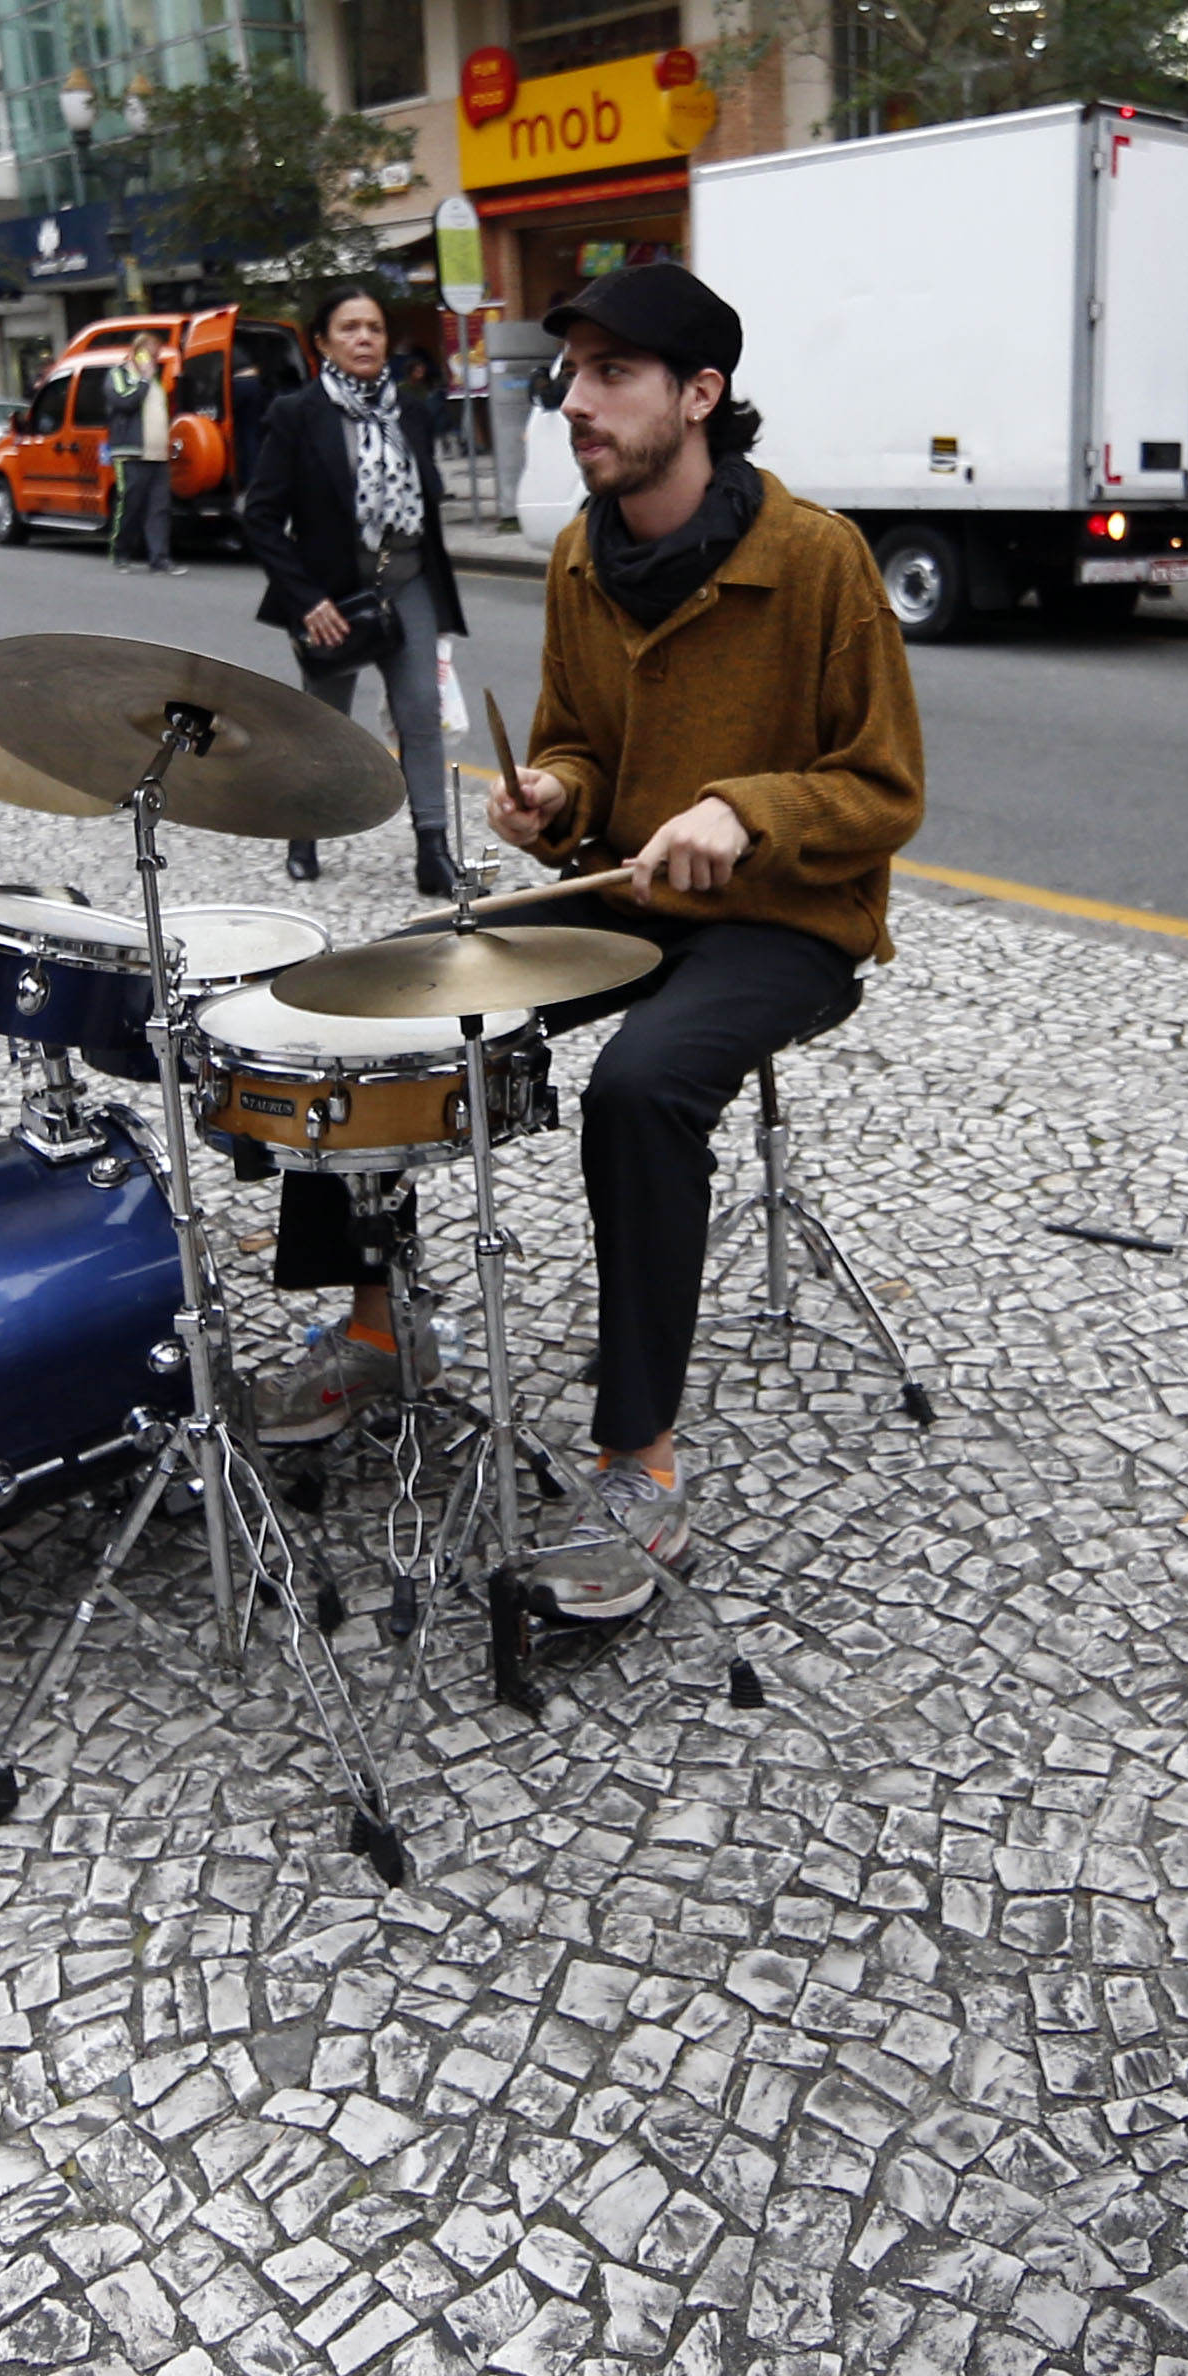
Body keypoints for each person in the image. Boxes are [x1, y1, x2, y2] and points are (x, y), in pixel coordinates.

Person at [257, 264, 929, 1606]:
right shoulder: (582, 548)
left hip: (783, 916)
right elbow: (577, 743)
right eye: (574, 373)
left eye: (614, 373)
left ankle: (643, 1468)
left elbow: (885, 788)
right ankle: (384, 1327)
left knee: (641, 1087)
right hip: (624, 890)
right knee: (364, 997)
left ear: (700, 394)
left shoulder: (816, 559)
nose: (575, 399)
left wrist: (745, 811)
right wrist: (554, 790)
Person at [245, 280, 463, 900]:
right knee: (324, 720)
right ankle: (303, 834)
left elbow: (429, 498)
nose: (364, 339)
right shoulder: (297, 414)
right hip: (330, 597)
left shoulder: (412, 410)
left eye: (373, 328)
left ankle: (433, 849)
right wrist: (305, 600)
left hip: (410, 581)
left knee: (420, 711)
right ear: (322, 343)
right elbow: (261, 517)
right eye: (349, 329)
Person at [110, 338, 179, 573]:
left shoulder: (156, 383)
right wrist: (144, 380)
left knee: (159, 507)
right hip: (132, 453)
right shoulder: (119, 375)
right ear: (136, 354)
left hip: (158, 455)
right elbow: (124, 401)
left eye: (155, 356)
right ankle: (121, 552)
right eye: (148, 355)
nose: (152, 360)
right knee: (132, 504)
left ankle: (159, 558)